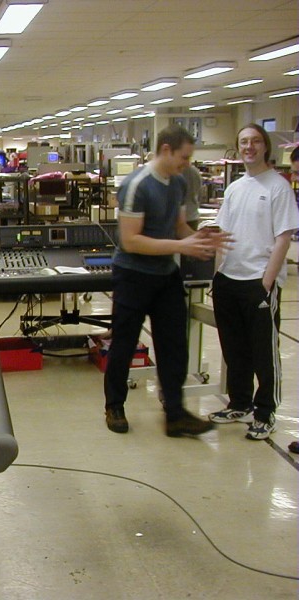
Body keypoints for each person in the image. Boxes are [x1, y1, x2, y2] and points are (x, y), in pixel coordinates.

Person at [104, 124, 229, 437]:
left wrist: (199, 239)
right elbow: (132, 241)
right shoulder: (137, 185)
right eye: (183, 157)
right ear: (165, 150)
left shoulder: (178, 182)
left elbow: (178, 226)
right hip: (133, 276)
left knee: (175, 345)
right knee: (124, 343)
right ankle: (114, 406)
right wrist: (181, 246)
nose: (187, 163)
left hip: (165, 276)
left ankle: (175, 414)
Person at [207, 124, 299, 440]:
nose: (249, 147)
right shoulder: (234, 187)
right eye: (244, 142)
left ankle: (265, 411)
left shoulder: (278, 187)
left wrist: (266, 283)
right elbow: (224, 235)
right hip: (228, 280)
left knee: (263, 352)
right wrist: (216, 275)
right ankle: (240, 403)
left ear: (265, 147)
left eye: (255, 141)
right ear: (238, 147)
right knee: (234, 349)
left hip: (257, 282)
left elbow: (284, 238)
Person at [181, 164, 203, 230]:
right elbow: (199, 195)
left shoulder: (174, 174)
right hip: (192, 216)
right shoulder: (195, 171)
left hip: (179, 219)